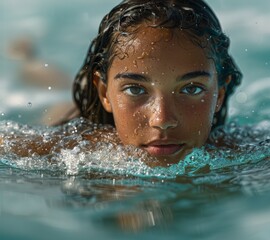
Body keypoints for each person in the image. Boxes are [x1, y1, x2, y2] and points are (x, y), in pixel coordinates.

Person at [0, 0, 241, 166]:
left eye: (191, 88)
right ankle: (27, 57)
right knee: (48, 80)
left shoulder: (238, 152)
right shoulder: (73, 150)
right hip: (63, 115)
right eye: (135, 89)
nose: (162, 120)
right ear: (104, 92)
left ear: (219, 94)